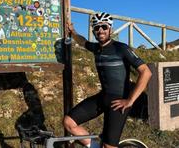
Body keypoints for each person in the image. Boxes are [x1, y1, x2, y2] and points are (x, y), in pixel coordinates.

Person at [63, 12, 152, 148]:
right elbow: (82, 42)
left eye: (104, 27)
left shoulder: (121, 48)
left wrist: (130, 100)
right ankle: (96, 146)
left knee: (109, 146)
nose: (100, 30)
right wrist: (73, 32)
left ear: (110, 29)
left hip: (119, 102)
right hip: (103, 97)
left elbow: (146, 72)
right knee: (69, 122)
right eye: (96, 27)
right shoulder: (96, 48)